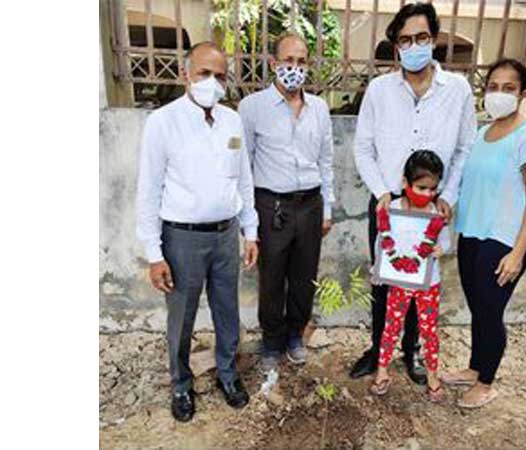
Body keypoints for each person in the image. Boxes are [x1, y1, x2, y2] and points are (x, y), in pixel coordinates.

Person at [351, 2, 477, 385]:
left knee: (422, 281)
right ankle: (378, 349)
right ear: (396, 46)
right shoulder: (379, 90)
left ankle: (412, 351)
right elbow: (363, 148)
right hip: (389, 205)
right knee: (385, 279)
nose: (414, 46)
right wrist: (381, 192)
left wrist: (448, 196)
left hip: (431, 207)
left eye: (421, 37)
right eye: (405, 40)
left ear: (434, 39)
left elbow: (465, 149)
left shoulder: (457, 90)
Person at [136, 42, 259, 421]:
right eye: (204, 73)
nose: (212, 82)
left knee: (227, 310)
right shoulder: (163, 122)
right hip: (182, 239)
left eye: (220, 76)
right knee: (182, 317)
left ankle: (228, 374)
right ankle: (180, 384)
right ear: (185, 74)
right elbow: (149, 190)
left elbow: (243, 179)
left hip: (225, 234)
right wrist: (154, 254)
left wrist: (250, 230)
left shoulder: (232, 121)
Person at [441, 58, 526, 408]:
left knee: (490, 310)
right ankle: (475, 368)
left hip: (504, 240)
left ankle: (486, 383)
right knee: (478, 307)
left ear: (522, 93)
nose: (499, 94)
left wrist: (518, 252)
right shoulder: (481, 134)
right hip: (472, 232)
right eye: (493, 87)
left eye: (509, 88)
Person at [238, 32, 335, 373]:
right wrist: (248, 220)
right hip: (271, 205)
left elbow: (326, 161)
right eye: (288, 61)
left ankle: (295, 334)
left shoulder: (319, 108)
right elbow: (244, 167)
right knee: (272, 277)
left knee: (304, 275)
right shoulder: (252, 108)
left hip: (310, 204)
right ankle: (271, 340)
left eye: (301, 61)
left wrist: (327, 207)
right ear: (273, 63)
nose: (295, 68)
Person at [369, 150, 451, 402]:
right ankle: (382, 371)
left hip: (428, 283)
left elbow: (446, 241)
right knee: (391, 326)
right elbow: (382, 240)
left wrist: (441, 249)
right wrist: (379, 268)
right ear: (405, 182)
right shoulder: (392, 209)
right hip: (399, 282)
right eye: (421, 188)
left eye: (432, 189)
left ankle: (433, 375)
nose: (427, 194)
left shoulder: (437, 213)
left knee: (429, 330)